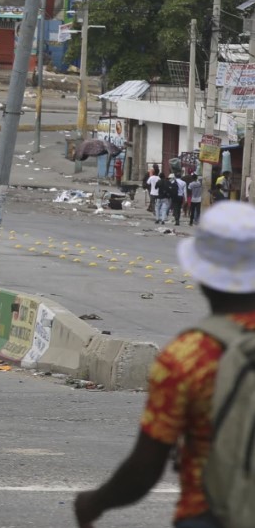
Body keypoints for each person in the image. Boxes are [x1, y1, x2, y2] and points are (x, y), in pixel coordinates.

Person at [74, 201, 255, 528]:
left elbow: (145, 466)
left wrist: (95, 502)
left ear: (200, 275)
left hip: (210, 513)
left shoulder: (188, 355)